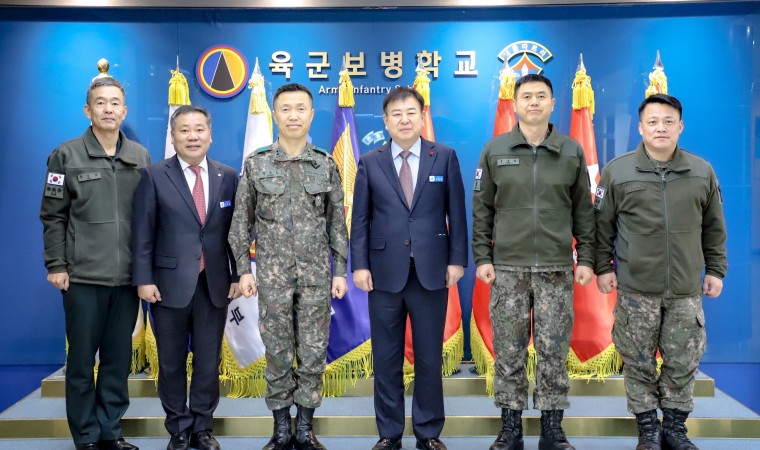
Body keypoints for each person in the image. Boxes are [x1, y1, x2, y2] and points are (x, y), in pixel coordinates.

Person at [595, 94, 727, 450]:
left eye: (669, 121)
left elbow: (714, 227)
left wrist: (716, 269)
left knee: (682, 362)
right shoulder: (617, 171)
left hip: (685, 290)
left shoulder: (701, 171)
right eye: (652, 121)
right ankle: (648, 430)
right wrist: (603, 268)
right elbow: (601, 227)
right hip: (636, 289)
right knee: (637, 362)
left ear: (680, 126)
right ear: (640, 128)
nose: (661, 128)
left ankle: (675, 429)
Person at [471, 73, 595, 450]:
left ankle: (552, 429)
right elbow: (482, 209)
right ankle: (510, 428)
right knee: (509, 350)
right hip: (508, 269)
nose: (534, 102)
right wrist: (483, 256)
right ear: (515, 103)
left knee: (553, 351)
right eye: (527, 96)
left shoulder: (571, 151)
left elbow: (584, 212)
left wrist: (586, 258)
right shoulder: (495, 150)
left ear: (553, 104)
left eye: (541, 96)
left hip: (556, 269)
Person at [228, 83, 348, 450]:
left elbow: (337, 224)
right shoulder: (257, 163)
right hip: (272, 278)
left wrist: (340, 270)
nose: (293, 115)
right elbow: (240, 223)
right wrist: (243, 270)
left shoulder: (325, 163)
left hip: (316, 277)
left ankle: (305, 428)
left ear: (311, 115)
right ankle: (281, 429)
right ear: (275, 115)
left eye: (300, 109)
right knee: (278, 353)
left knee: (312, 352)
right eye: (285, 109)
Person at [351, 86, 468, 450]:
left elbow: (456, 213)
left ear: (422, 116)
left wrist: (457, 259)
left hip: (431, 272)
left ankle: (428, 432)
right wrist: (360, 265)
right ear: (386, 121)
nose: (404, 120)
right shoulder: (370, 161)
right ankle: (389, 433)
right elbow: (361, 219)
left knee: (429, 358)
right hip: (383, 274)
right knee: (386, 359)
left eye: (411, 112)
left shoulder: (443, 156)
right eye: (396, 114)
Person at [39, 77, 150, 450]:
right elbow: (52, 215)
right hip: (82, 278)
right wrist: (56, 264)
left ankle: (110, 432)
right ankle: (86, 435)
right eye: (100, 102)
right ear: (88, 110)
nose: (108, 109)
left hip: (127, 279)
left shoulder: (140, 156)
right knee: (82, 363)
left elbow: (149, 217)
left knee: (118, 362)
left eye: (115, 103)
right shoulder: (64, 156)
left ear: (124, 111)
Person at [131, 105, 240, 450]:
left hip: (214, 285)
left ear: (210, 134)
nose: (192, 136)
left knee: (208, 363)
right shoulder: (153, 175)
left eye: (199, 129)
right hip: (166, 286)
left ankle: (202, 428)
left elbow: (236, 233)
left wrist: (237, 275)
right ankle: (178, 427)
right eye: (184, 130)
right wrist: (144, 279)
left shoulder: (228, 176)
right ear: (173, 135)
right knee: (171, 362)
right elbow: (143, 233)